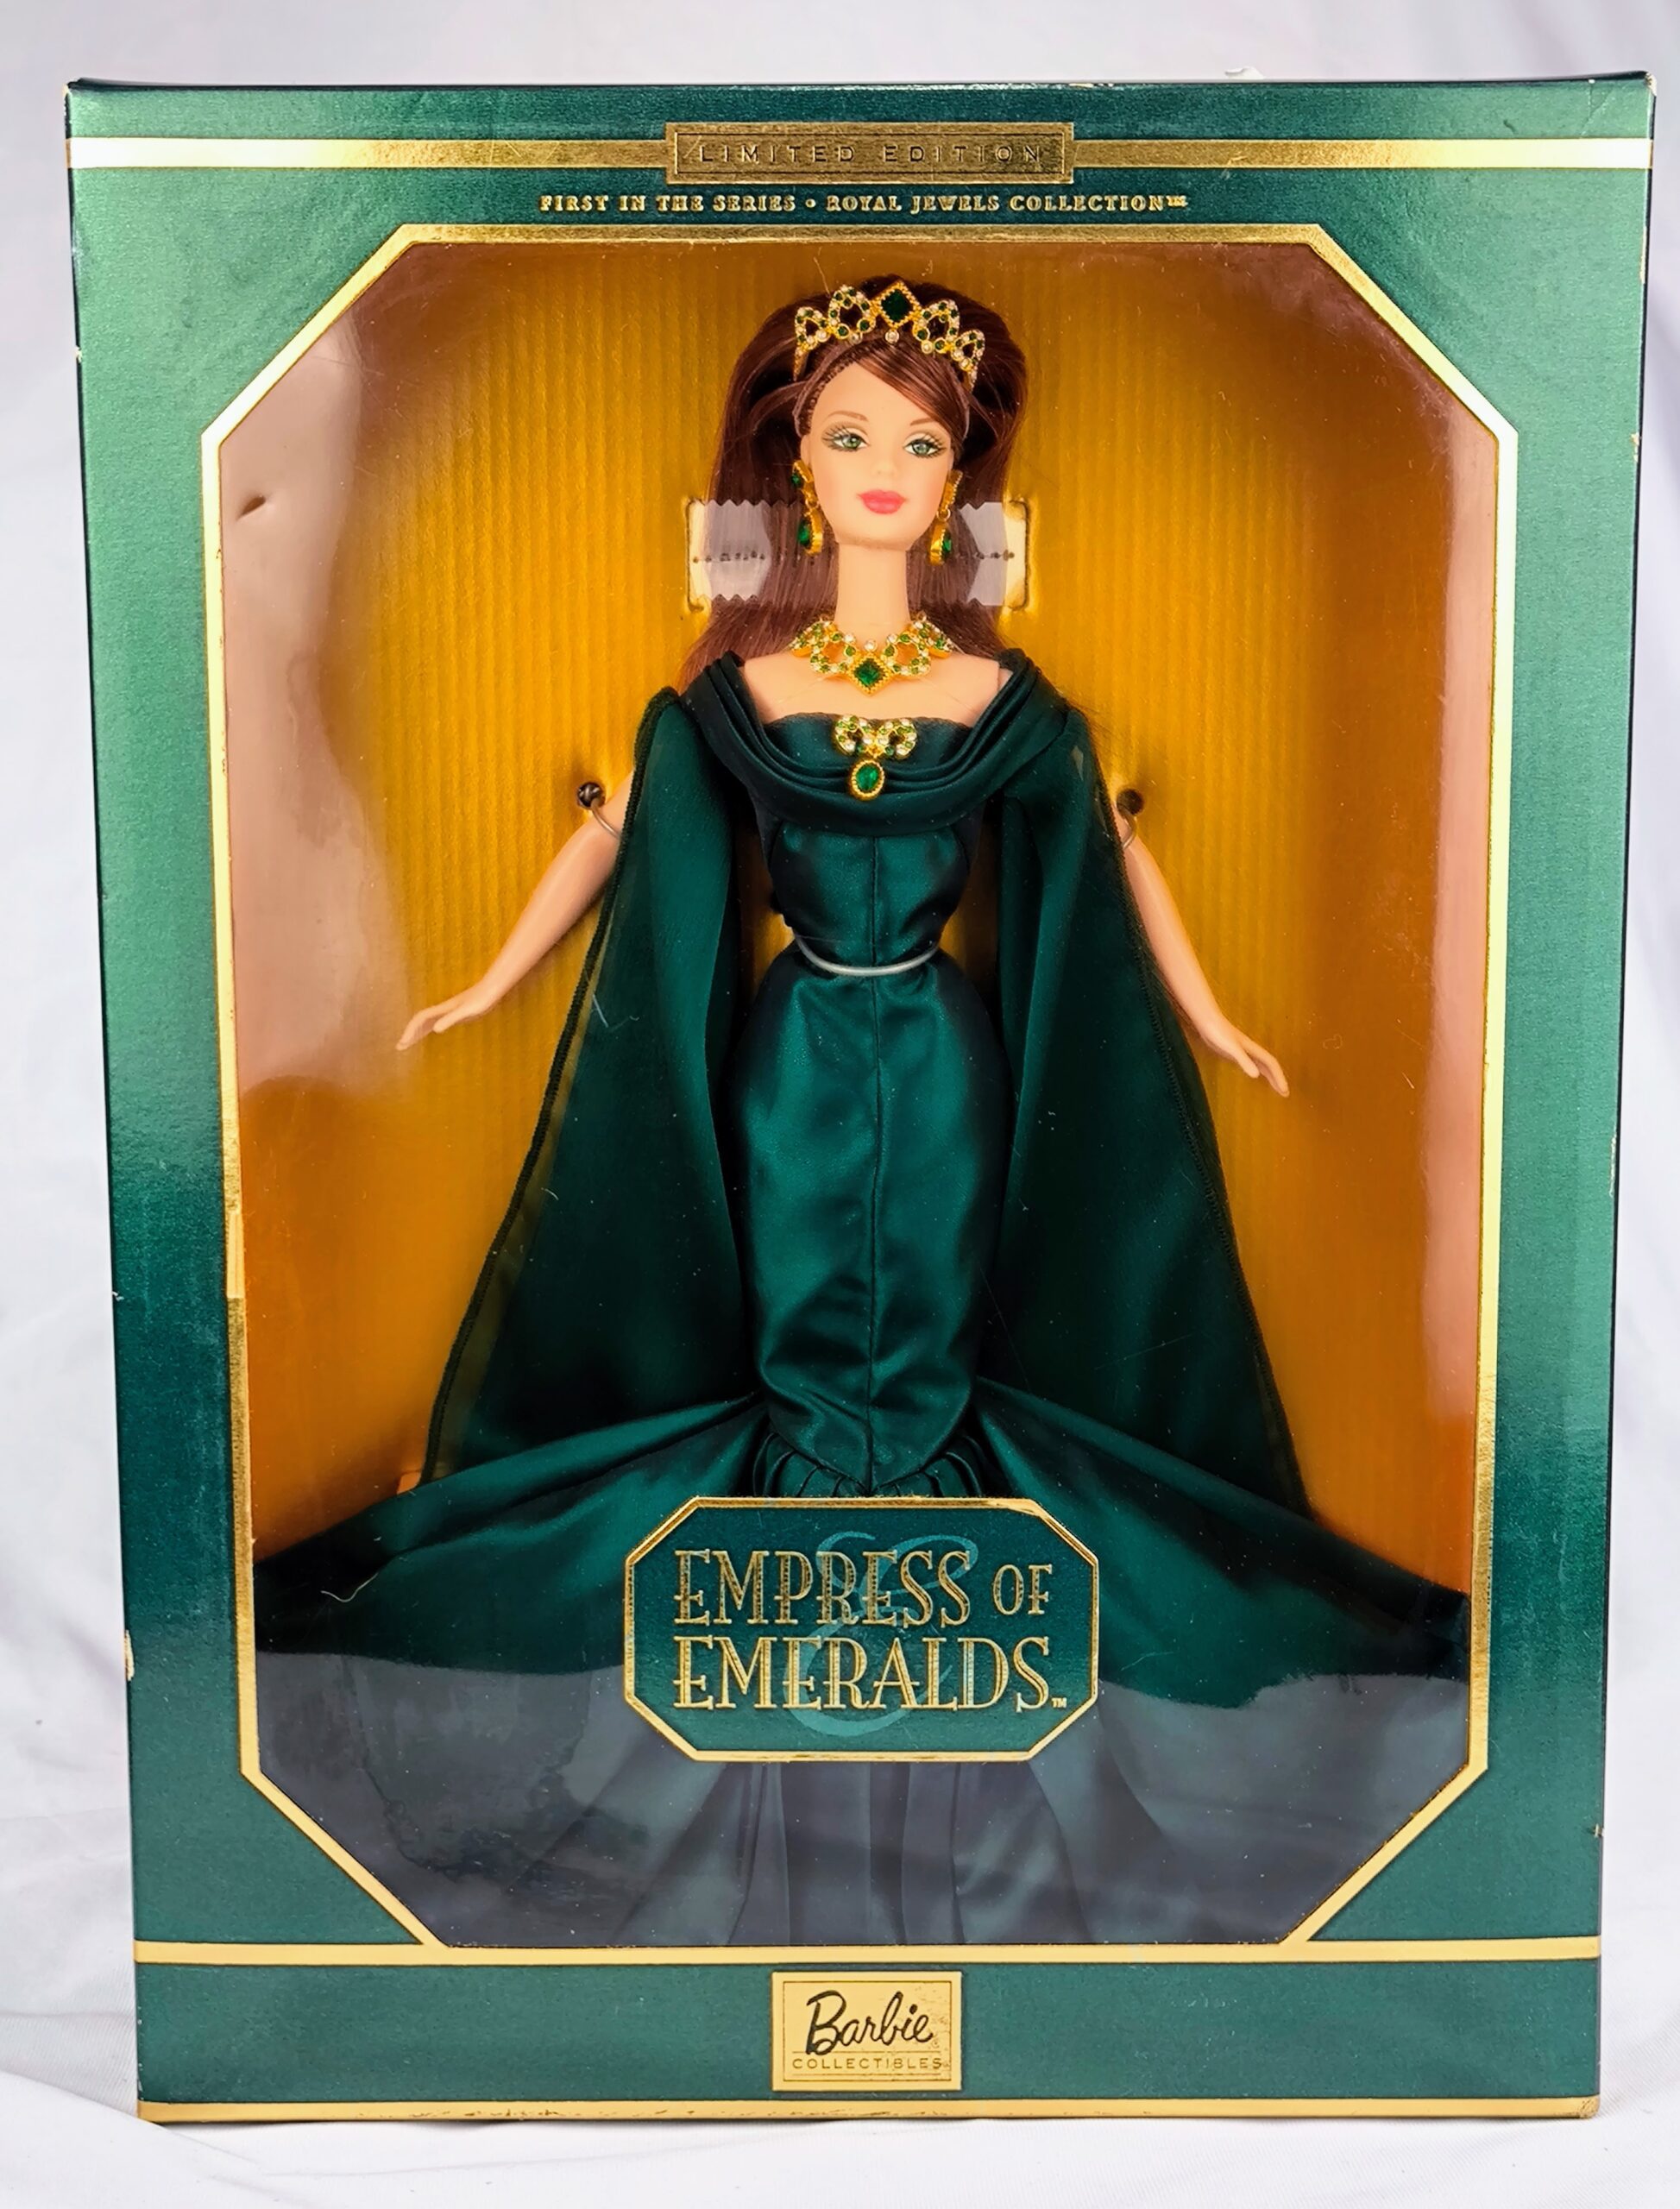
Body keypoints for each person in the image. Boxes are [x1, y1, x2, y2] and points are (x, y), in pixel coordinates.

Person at [255, 277, 1468, 1947]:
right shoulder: (741, 695)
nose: (885, 470)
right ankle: (803, 1599)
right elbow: (624, 829)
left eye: (920, 443)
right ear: (797, 467)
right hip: (801, 1050)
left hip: (945, 1057)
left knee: (938, 1323)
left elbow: (1105, 848)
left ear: (960, 476)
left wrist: (1206, 1015)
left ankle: (930, 1605)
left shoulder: (997, 699)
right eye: (849, 438)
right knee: (802, 1320)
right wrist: (484, 981)